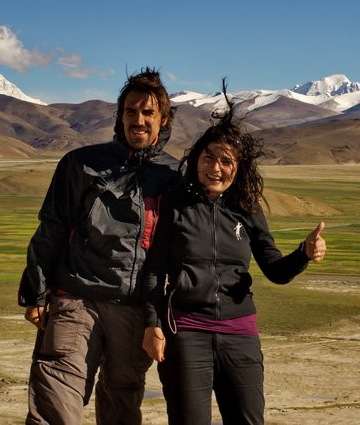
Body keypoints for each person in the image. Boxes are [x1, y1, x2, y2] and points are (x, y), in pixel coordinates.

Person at [141, 81, 326, 425]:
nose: (215, 168)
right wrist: (152, 325)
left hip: (240, 333)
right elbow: (154, 271)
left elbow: (275, 269)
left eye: (226, 161)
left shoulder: (247, 209)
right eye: (209, 157)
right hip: (186, 332)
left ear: (238, 168)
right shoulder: (176, 204)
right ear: (197, 158)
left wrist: (303, 252)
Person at [18, 67, 179, 425]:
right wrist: (36, 293)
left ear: (163, 119)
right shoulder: (81, 164)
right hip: (76, 299)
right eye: (130, 111)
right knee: (54, 403)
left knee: (122, 405)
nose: (138, 120)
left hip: (134, 308)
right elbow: (52, 229)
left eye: (148, 112)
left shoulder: (174, 176)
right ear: (119, 117)